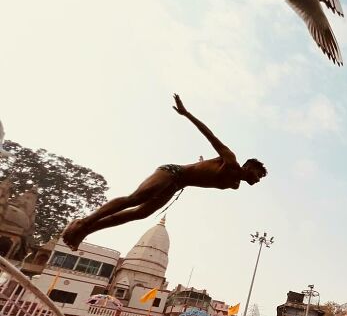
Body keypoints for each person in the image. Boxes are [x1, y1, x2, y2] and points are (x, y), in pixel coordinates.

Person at [62, 94, 268, 250]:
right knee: (137, 198)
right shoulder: (230, 160)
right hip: (171, 173)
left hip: (178, 185)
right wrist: (186, 114)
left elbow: (207, 173)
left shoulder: (234, 184)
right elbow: (209, 134)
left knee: (141, 213)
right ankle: (83, 222)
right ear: (249, 167)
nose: (258, 180)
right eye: (258, 175)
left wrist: (202, 164)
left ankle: (86, 231)